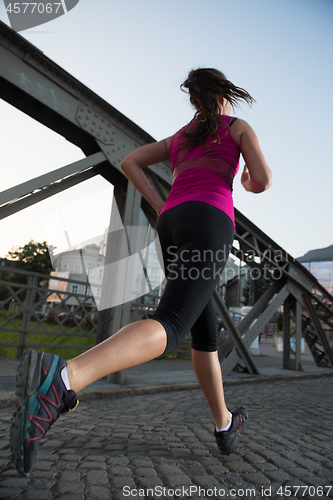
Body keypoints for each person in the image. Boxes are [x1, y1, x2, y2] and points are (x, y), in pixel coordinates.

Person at [10, 68, 271, 477]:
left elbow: (130, 160)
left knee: (203, 331)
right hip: (210, 220)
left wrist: (156, 199)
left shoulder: (179, 139)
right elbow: (263, 180)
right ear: (225, 96)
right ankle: (64, 376)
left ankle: (224, 423)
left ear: (194, 99)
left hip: (172, 222)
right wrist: (244, 180)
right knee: (172, 323)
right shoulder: (236, 126)